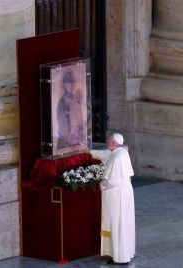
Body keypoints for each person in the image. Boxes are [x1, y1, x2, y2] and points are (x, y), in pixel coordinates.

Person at [91, 133, 135, 265]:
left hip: (117, 196)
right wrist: (88, 151)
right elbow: (105, 155)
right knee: (123, 224)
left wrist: (100, 185)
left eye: (109, 141)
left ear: (114, 143)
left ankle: (120, 257)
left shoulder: (118, 158)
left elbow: (112, 181)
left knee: (117, 224)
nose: (108, 142)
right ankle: (123, 253)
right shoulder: (120, 152)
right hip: (123, 194)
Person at [56, 70, 84, 149]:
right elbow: (63, 124)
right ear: (63, 85)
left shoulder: (74, 99)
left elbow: (80, 120)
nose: (70, 85)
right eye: (67, 82)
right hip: (66, 141)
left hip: (74, 140)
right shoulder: (62, 101)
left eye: (71, 82)